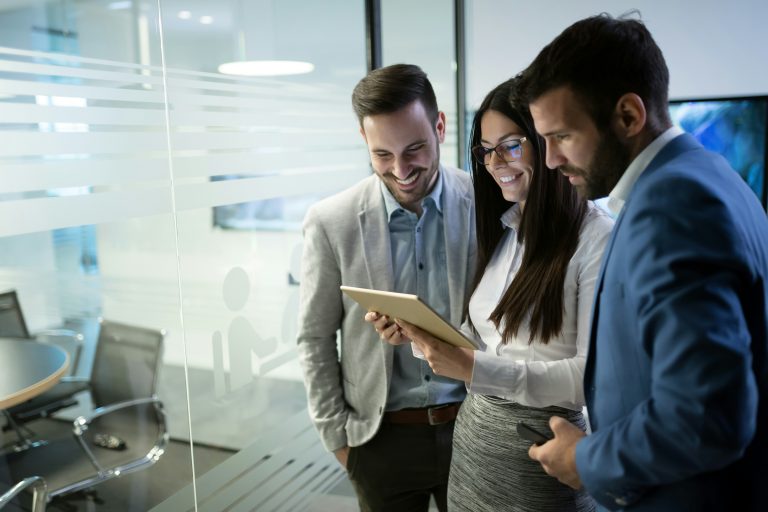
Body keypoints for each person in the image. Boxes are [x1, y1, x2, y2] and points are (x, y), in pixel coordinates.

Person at [521, 14, 768, 512]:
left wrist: (587, 457)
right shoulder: (709, 173)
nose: (548, 160)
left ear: (629, 116)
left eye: (562, 136)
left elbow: (706, 415)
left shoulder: (672, 205)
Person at [373, 77, 612, 511]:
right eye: (485, 149)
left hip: (542, 455)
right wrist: (420, 336)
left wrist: (474, 368)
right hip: (474, 450)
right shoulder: (507, 228)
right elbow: (484, 339)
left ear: (548, 142)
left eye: (510, 145)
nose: (494, 161)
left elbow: (589, 378)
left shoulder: (596, 237)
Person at [296, 63, 476, 512]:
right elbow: (315, 337)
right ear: (364, 140)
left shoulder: (486, 205)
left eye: (415, 148)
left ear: (440, 126)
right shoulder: (330, 221)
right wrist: (338, 438)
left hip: (475, 427)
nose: (401, 170)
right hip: (379, 441)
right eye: (382, 155)